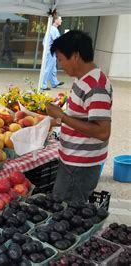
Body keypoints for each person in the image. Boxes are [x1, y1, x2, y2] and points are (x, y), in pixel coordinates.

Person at [46, 30, 113, 203]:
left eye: (61, 59)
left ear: (75, 56)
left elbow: (103, 131)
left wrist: (62, 116)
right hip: (73, 160)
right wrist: (56, 120)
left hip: (80, 166)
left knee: (65, 211)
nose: (60, 65)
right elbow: (81, 117)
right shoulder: (82, 79)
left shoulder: (96, 85)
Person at [41, 16, 64, 90]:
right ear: (55, 20)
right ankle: (43, 85)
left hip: (50, 51)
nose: (61, 21)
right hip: (50, 51)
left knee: (53, 68)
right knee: (48, 68)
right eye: (60, 19)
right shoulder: (54, 29)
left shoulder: (52, 28)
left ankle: (54, 82)